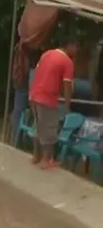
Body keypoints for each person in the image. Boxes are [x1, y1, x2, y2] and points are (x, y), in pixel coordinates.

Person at [28, 38, 78, 169]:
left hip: (34, 94)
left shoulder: (47, 54)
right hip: (47, 97)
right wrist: (67, 104)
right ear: (70, 45)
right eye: (76, 48)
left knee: (38, 125)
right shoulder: (67, 62)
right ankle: (46, 159)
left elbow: (39, 73)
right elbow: (67, 84)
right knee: (49, 128)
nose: (77, 52)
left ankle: (36, 156)